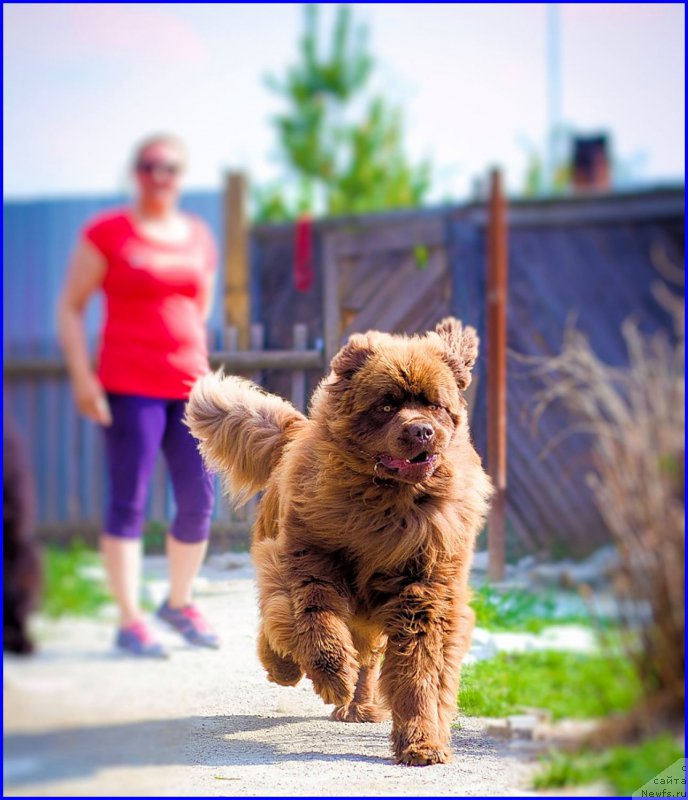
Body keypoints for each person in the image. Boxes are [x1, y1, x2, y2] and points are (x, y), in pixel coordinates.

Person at [57, 134, 219, 657]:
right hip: (129, 388)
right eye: (150, 166)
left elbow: (197, 311)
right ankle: (130, 620)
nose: (160, 176)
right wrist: (83, 378)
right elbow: (70, 307)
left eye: (170, 168)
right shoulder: (108, 233)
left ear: (180, 176)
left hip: (190, 390)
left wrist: (197, 367)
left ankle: (179, 603)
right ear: (137, 172)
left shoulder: (198, 236)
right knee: (128, 501)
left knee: (198, 500)